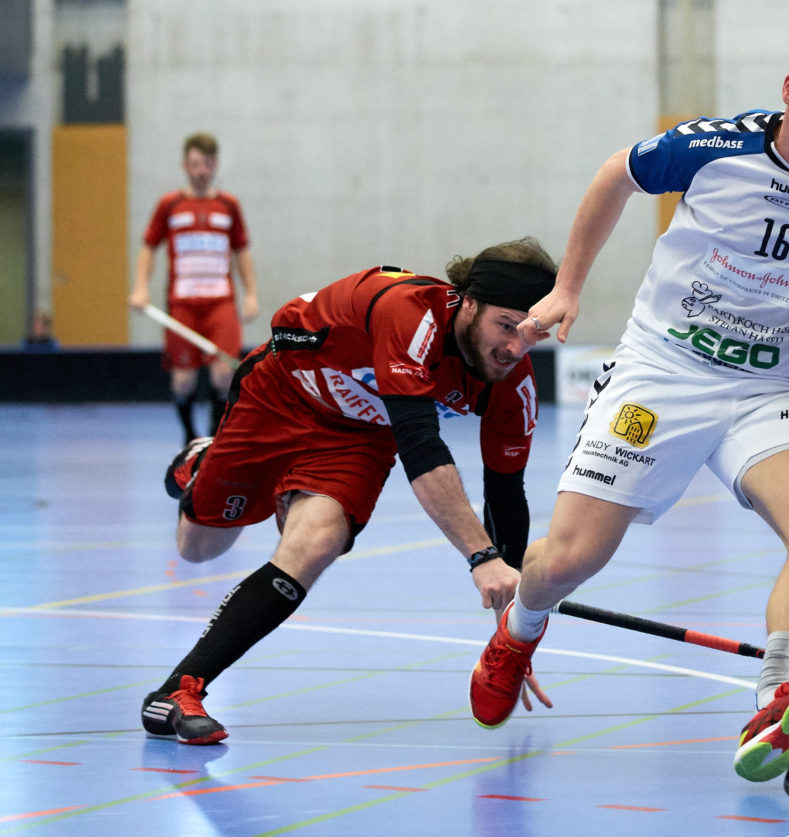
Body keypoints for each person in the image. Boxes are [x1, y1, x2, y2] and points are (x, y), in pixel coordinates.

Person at [469, 25, 789, 784]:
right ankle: (522, 626)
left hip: (776, 384)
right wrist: (569, 284)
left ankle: (778, 696)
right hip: (663, 369)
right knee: (566, 560)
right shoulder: (712, 147)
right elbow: (617, 174)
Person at [140, 237, 557, 744]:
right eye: (506, 326)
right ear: (468, 302)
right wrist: (482, 556)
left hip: (360, 432)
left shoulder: (514, 385)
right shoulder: (409, 313)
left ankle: (179, 689)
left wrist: (511, 637)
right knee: (199, 546)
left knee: (315, 543)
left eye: (532, 334)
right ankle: (203, 462)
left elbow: (507, 496)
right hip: (284, 390)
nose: (515, 348)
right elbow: (422, 451)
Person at [129, 132, 259, 443]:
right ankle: (189, 435)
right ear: (185, 165)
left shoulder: (229, 205)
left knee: (224, 374)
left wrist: (251, 294)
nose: (201, 170)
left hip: (220, 303)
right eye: (195, 163)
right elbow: (149, 246)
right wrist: (140, 287)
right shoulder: (170, 205)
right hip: (182, 305)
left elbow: (242, 252)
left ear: (215, 165)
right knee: (183, 381)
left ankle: (215, 438)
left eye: (207, 163)